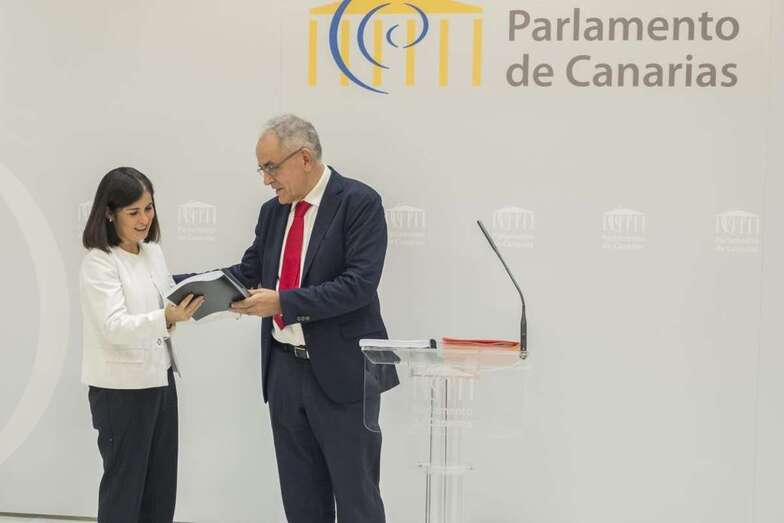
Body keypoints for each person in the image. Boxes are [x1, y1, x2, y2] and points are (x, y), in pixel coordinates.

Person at [226, 114, 399, 522]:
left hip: (342, 375)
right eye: (261, 169)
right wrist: (175, 283)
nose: (266, 179)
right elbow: (248, 272)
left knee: (357, 499)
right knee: (301, 501)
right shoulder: (273, 213)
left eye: (271, 167)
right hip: (285, 373)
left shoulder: (358, 202)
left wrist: (283, 303)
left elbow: (358, 285)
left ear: (304, 157)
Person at [79, 167, 204, 523]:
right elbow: (113, 326)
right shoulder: (98, 263)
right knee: (124, 488)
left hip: (160, 381)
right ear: (109, 213)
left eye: (148, 208)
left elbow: (164, 299)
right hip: (120, 392)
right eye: (133, 212)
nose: (144, 219)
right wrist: (166, 318)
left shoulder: (152, 253)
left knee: (161, 486)